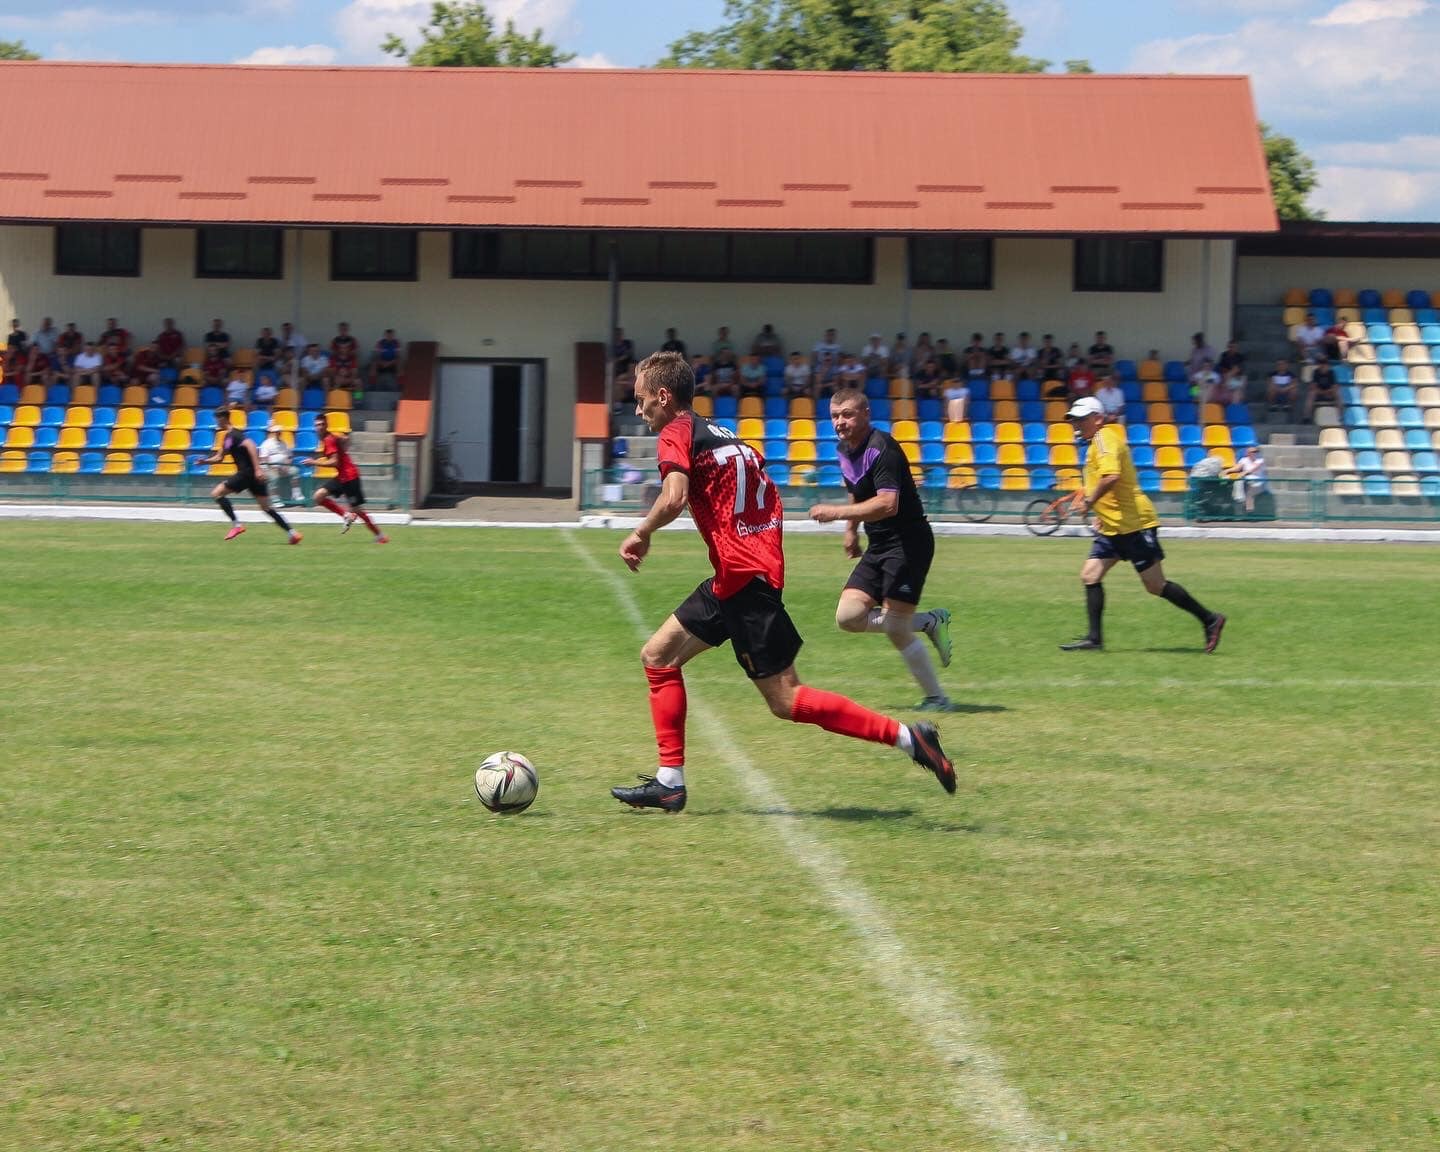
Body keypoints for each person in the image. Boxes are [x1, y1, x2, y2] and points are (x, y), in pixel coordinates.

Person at [610, 351, 956, 813]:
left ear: (663, 396)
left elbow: (673, 499)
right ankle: (669, 781)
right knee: (657, 656)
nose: (638, 411)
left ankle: (909, 738)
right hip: (740, 574)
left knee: (787, 700)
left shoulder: (676, 432)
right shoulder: (724, 433)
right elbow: (763, 492)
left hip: (743, 579)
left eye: (640, 401)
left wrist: (642, 531)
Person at [807, 387, 956, 711]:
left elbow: (888, 504)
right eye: (834, 415)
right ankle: (929, 621)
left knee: (895, 628)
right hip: (879, 543)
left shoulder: (882, 448)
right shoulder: (844, 449)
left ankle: (938, 698)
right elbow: (856, 493)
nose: (840, 422)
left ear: (865, 413)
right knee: (848, 617)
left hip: (908, 542)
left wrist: (835, 514)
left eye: (847, 414)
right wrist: (851, 532)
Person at [1059, 396, 1225, 653]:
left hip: (1135, 524)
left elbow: (1112, 476)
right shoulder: (1097, 443)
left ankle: (1210, 619)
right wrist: (1101, 512)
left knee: (1155, 585)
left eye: (1081, 419)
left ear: (1098, 419)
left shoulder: (1104, 439)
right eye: (1074, 420)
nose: (1076, 425)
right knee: (1090, 575)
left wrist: (1090, 502)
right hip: (1114, 526)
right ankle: (1094, 639)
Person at [195, 408, 302, 544]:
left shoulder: (235, 434)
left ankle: (237, 525)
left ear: (223, 418)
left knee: (217, 493)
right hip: (253, 476)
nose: (216, 422)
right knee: (266, 508)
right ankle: (292, 533)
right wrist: (205, 461)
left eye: (217, 418)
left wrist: (257, 469)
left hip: (247, 473)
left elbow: (251, 445)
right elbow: (220, 457)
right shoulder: (228, 437)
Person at [303, 413, 389, 543]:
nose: (319, 427)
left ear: (326, 425)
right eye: (317, 425)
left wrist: (314, 462)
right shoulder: (328, 439)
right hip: (342, 476)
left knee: (358, 511)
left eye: (321, 424)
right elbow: (342, 441)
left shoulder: (328, 440)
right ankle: (346, 515)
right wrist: (342, 441)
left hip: (350, 477)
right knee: (318, 497)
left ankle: (380, 536)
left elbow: (335, 462)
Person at [258, 421, 305, 507]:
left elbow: (289, 457)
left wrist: (286, 465)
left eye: (279, 432)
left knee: (295, 471)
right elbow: (264, 459)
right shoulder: (266, 444)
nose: (278, 433)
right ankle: (275, 499)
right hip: (269, 468)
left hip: (283, 468)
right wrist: (273, 467)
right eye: (276, 432)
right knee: (274, 477)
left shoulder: (283, 443)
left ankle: (296, 494)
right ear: (272, 432)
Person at [1228, 445, 1268, 513]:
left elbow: (1253, 469)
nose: (1255, 453)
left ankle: (1249, 510)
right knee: (1243, 488)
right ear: (1248, 453)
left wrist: (1244, 473)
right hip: (1247, 481)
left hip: (1258, 482)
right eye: (1252, 452)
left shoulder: (1260, 460)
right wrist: (1227, 471)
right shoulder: (1244, 460)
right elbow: (1237, 468)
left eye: (1256, 451)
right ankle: (1248, 510)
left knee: (1249, 493)